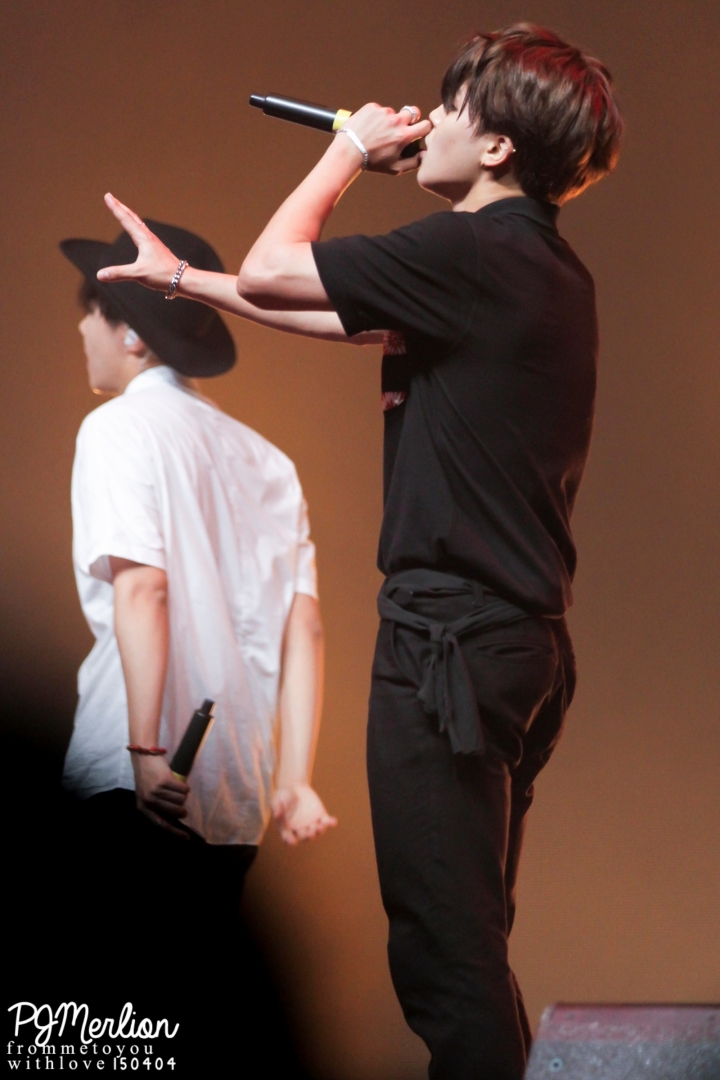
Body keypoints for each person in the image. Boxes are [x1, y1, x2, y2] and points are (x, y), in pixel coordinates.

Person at [94, 23, 623, 1080]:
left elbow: (274, 266)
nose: (429, 119)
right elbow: (304, 305)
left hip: (447, 643)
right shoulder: (542, 271)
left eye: (454, 105)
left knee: (445, 963)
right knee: (471, 945)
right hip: (516, 646)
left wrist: (347, 151)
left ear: (500, 146)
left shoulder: (471, 253)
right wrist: (183, 282)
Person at [60, 221, 336, 962]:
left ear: (132, 334)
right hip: (236, 793)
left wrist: (145, 749)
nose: (81, 327)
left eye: (92, 310)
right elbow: (303, 631)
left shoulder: (117, 429)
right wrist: (294, 780)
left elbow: (143, 590)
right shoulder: (269, 462)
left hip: (135, 776)